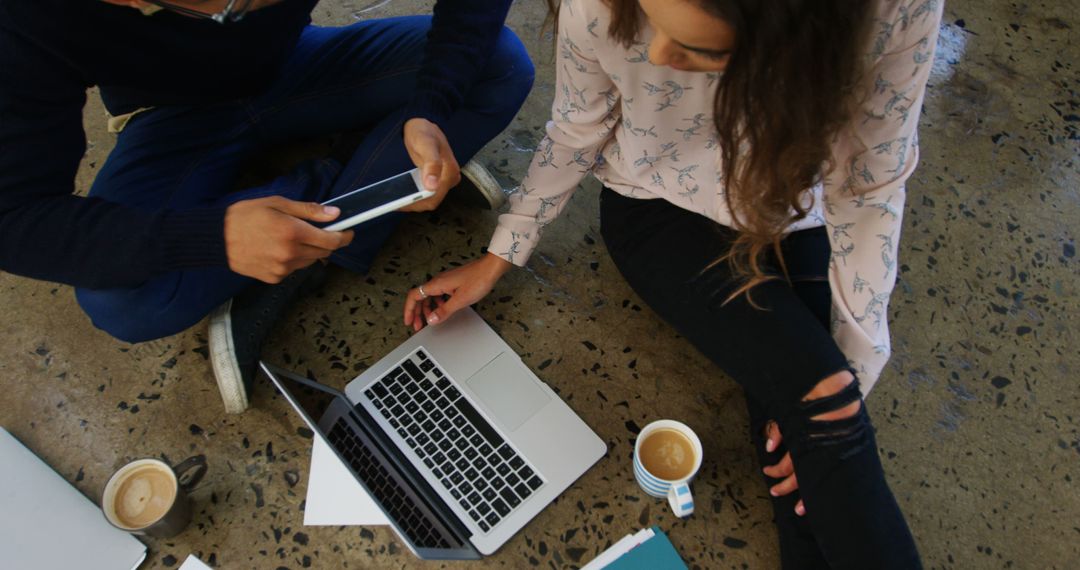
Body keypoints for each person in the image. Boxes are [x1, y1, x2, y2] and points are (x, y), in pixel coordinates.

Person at [403, 0, 941, 567]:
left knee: (826, 417)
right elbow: (576, 128)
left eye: (701, 48)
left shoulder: (895, 11)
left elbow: (870, 188)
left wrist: (850, 376)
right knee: (823, 418)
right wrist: (499, 255)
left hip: (798, 208)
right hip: (659, 207)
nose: (656, 54)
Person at [0, 0, 535, 413]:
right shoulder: (25, 16)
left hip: (297, 62)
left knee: (500, 63)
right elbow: (14, 219)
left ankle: (353, 198)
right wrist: (212, 237)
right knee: (122, 302)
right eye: (232, 7)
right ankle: (367, 176)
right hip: (171, 118)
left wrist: (430, 106)